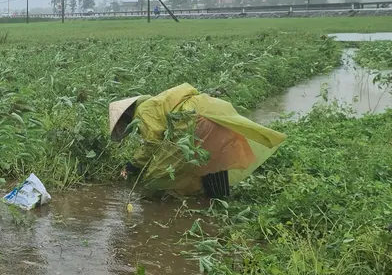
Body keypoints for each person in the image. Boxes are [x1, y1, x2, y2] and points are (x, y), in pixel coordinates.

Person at [109, 83, 285, 198]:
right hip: (214, 113)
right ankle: (219, 201)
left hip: (195, 121)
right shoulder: (156, 101)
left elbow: (152, 143)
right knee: (213, 159)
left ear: (126, 114)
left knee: (159, 173)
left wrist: (132, 166)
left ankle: (162, 201)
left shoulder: (143, 111)